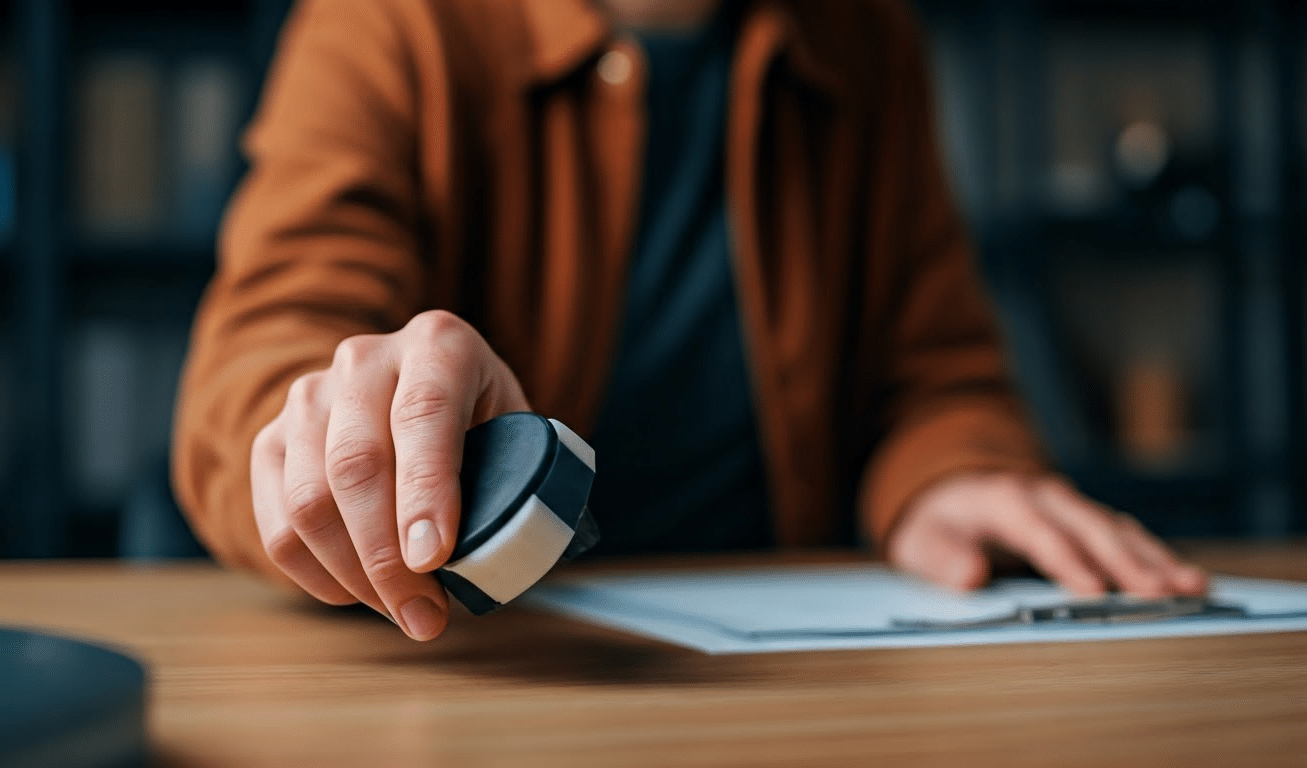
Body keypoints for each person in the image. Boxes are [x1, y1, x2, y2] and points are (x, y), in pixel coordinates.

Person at [172, 0, 1208, 642]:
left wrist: (951, 472)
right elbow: (269, 348)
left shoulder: (864, 38)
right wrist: (339, 434)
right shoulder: (389, 22)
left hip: (794, 681)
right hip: (495, 671)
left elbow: (934, 370)